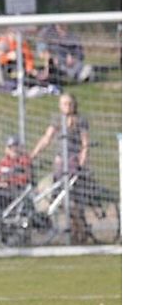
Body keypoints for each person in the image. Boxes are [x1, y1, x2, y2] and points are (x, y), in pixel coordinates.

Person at [29, 93, 90, 243]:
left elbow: (85, 144)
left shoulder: (80, 121)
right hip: (60, 162)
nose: (67, 107)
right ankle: (71, 229)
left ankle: (79, 231)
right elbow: (47, 138)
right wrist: (34, 153)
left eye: (69, 103)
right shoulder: (57, 120)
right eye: (64, 104)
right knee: (59, 198)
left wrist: (82, 162)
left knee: (74, 199)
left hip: (73, 162)